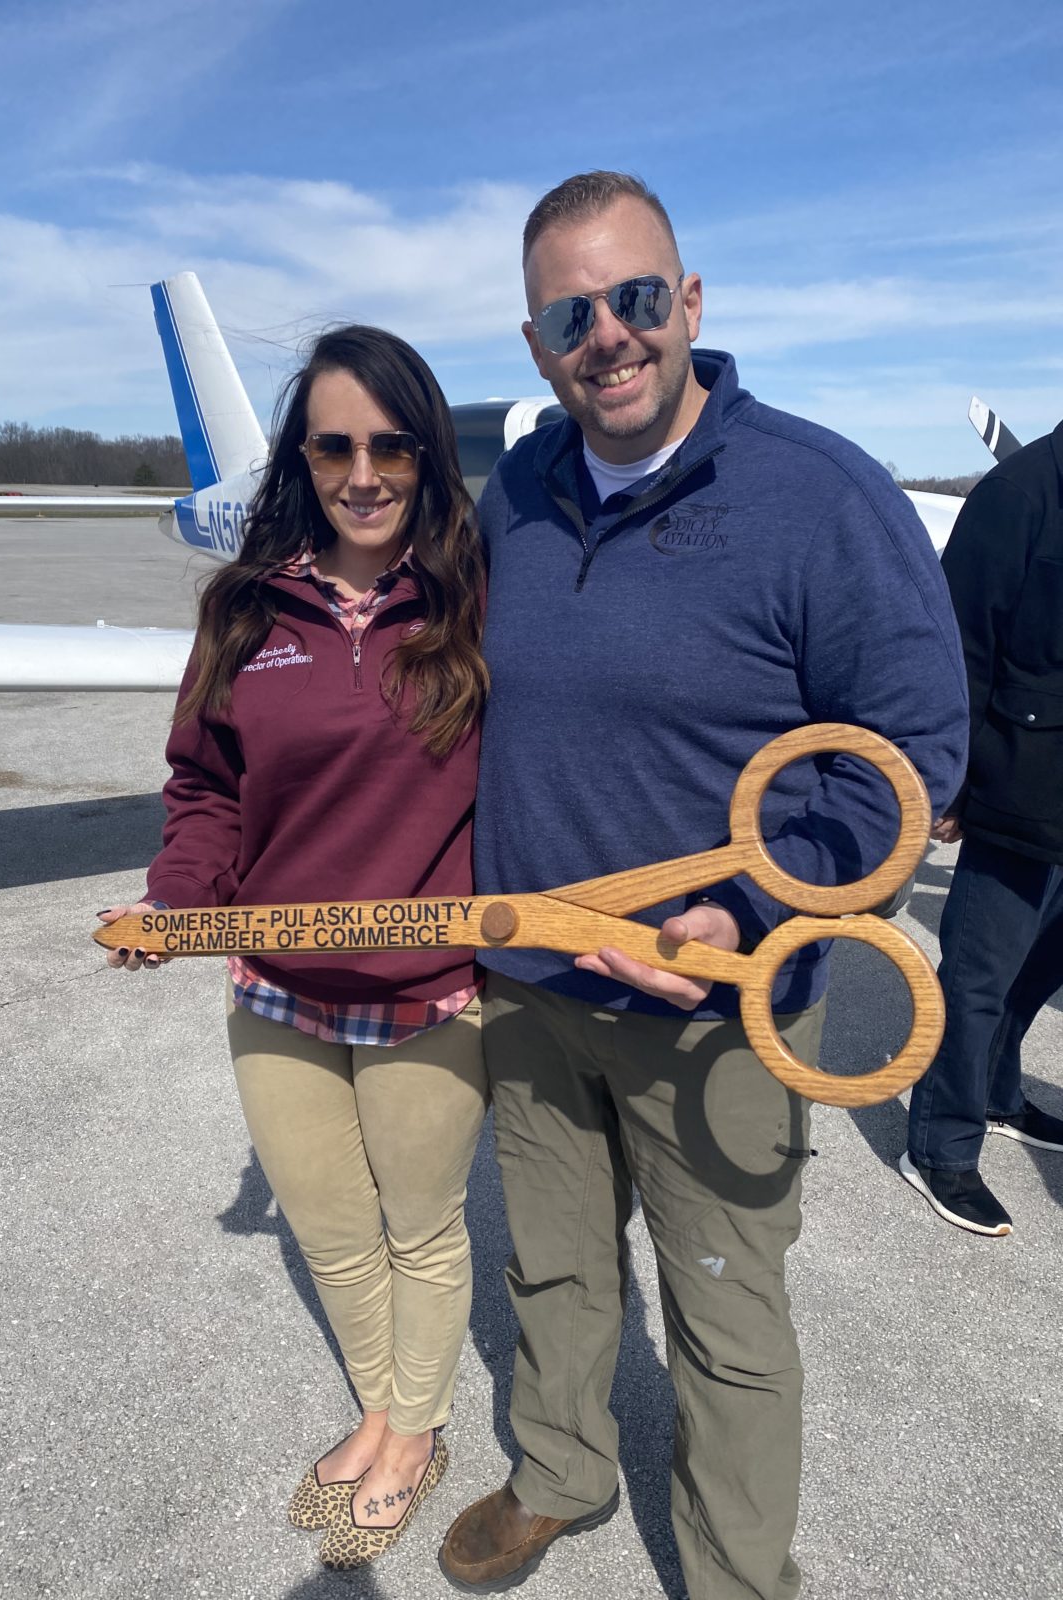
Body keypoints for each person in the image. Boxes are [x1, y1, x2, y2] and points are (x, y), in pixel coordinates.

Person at [436, 172, 969, 1600]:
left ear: (691, 303)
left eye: (636, 298)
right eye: (572, 313)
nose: (609, 334)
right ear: (537, 343)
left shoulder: (819, 494)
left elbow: (907, 754)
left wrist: (755, 917)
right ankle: (563, 1473)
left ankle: (739, 1575)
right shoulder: (523, 493)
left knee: (728, 1312)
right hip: (534, 988)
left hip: (717, 1012)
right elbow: (474, 708)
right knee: (550, 1267)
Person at [100, 325, 490, 1570]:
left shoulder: (477, 603)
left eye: (391, 444)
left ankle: (416, 1428)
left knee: (422, 1226)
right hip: (276, 992)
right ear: (302, 458)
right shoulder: (245, 607)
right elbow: (205, 786)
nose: (364, 472)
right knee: (331, 1228)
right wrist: (178, 900)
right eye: (335, 444)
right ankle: (380, 1406)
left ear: (426, 456)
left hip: (430, 993)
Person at [901, 419, 1063, 1236]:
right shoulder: (1018, 494)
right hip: (1018, 784)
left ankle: (999, 1096)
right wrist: (946, 782)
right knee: (976, 978)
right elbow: (955, 649)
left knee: (1039, 971)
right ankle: (941, 1148)